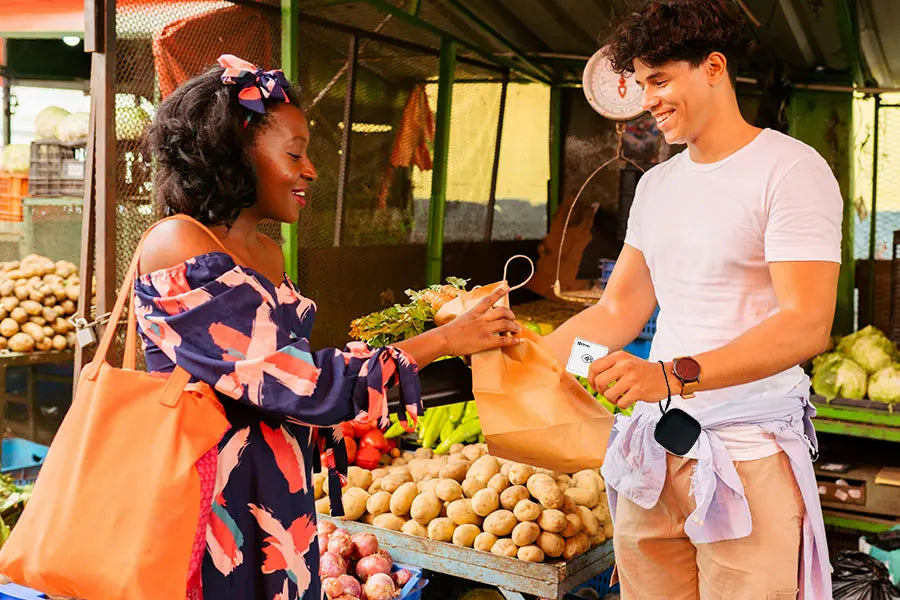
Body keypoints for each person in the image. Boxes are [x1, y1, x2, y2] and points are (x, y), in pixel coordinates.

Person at [137, 54, 521, 599]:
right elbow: (297, 382)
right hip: (207, 507)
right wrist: (439, 341)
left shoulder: (268, 253)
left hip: (278, 501)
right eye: (294, 153)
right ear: (233, 154)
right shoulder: (179, 244)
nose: (310, 169)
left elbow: (288, 385)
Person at [544, 1, 841, 598]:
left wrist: (671, 375)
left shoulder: (789, 170)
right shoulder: (658, 187)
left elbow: (807, 324)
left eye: (660, 80)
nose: (648, 100)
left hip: (748, 456)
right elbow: (618, 311)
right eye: (641, 84)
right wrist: (525, 360)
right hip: (653, 456)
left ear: (712, 67)